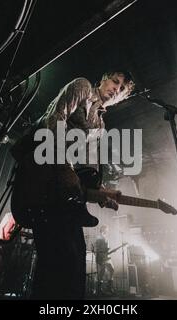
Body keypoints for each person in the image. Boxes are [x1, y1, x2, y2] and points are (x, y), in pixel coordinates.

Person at [10, 70, 135, 299]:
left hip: (61, 194)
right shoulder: (83, 86)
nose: (116, 89)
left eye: (122, 90)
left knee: (75, 260)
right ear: (103, 79)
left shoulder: (100, 124)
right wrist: (63, 167)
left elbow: (87, 166)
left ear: (121, 99)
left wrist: (100, 194)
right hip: (41, 174)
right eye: (115, 82)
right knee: (57, 259)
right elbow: (53, 118)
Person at [95, 225, 115, 296]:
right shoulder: (99, 237)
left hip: (107, 256)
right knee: (102, 272)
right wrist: (102, 253)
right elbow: (97, 248)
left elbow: (106, 247)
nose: (107, 230)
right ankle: (99, 289)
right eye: (106, 229)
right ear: (103, 229)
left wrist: (109, 250)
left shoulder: (106, 237)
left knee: (112, 269)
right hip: (102, 257)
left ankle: (108, 287)